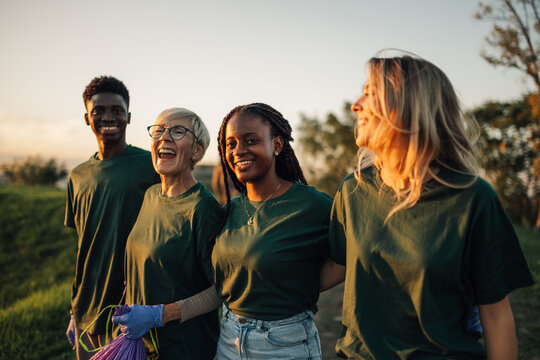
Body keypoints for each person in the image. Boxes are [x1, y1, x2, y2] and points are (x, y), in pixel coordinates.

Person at [323, 53, 536, 359]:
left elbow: (497, 316)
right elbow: (335, 267)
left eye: (370, 93)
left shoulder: (473, 199)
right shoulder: (353, 189)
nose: (356, 104)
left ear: (410, 106)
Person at [211, 103, 333, 359]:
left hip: (284, 343)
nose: (238, 150)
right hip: (229, 339)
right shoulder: (228, 210)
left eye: (251, 140)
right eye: (230, 143)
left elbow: (350, 255)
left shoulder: (311, 204)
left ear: (277, 145)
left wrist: (299, 284)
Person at [111, 108, 223, 359]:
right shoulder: (150, 195)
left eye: (178, 131)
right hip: (141, 346)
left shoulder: (204, 209)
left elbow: (221, 291)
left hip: (184, 348)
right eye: (159, 130)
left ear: (197, 151)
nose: (165, 137)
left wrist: (156, 316)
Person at [65, 76, 159, 360]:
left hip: (130, 313)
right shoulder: (77, 176)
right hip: (85, 312)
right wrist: (74, 311)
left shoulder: (151, 166)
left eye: (116, 110)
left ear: (128, 116)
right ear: (86, 118)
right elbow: (84, 246)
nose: (108, 117)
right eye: (99, 111)